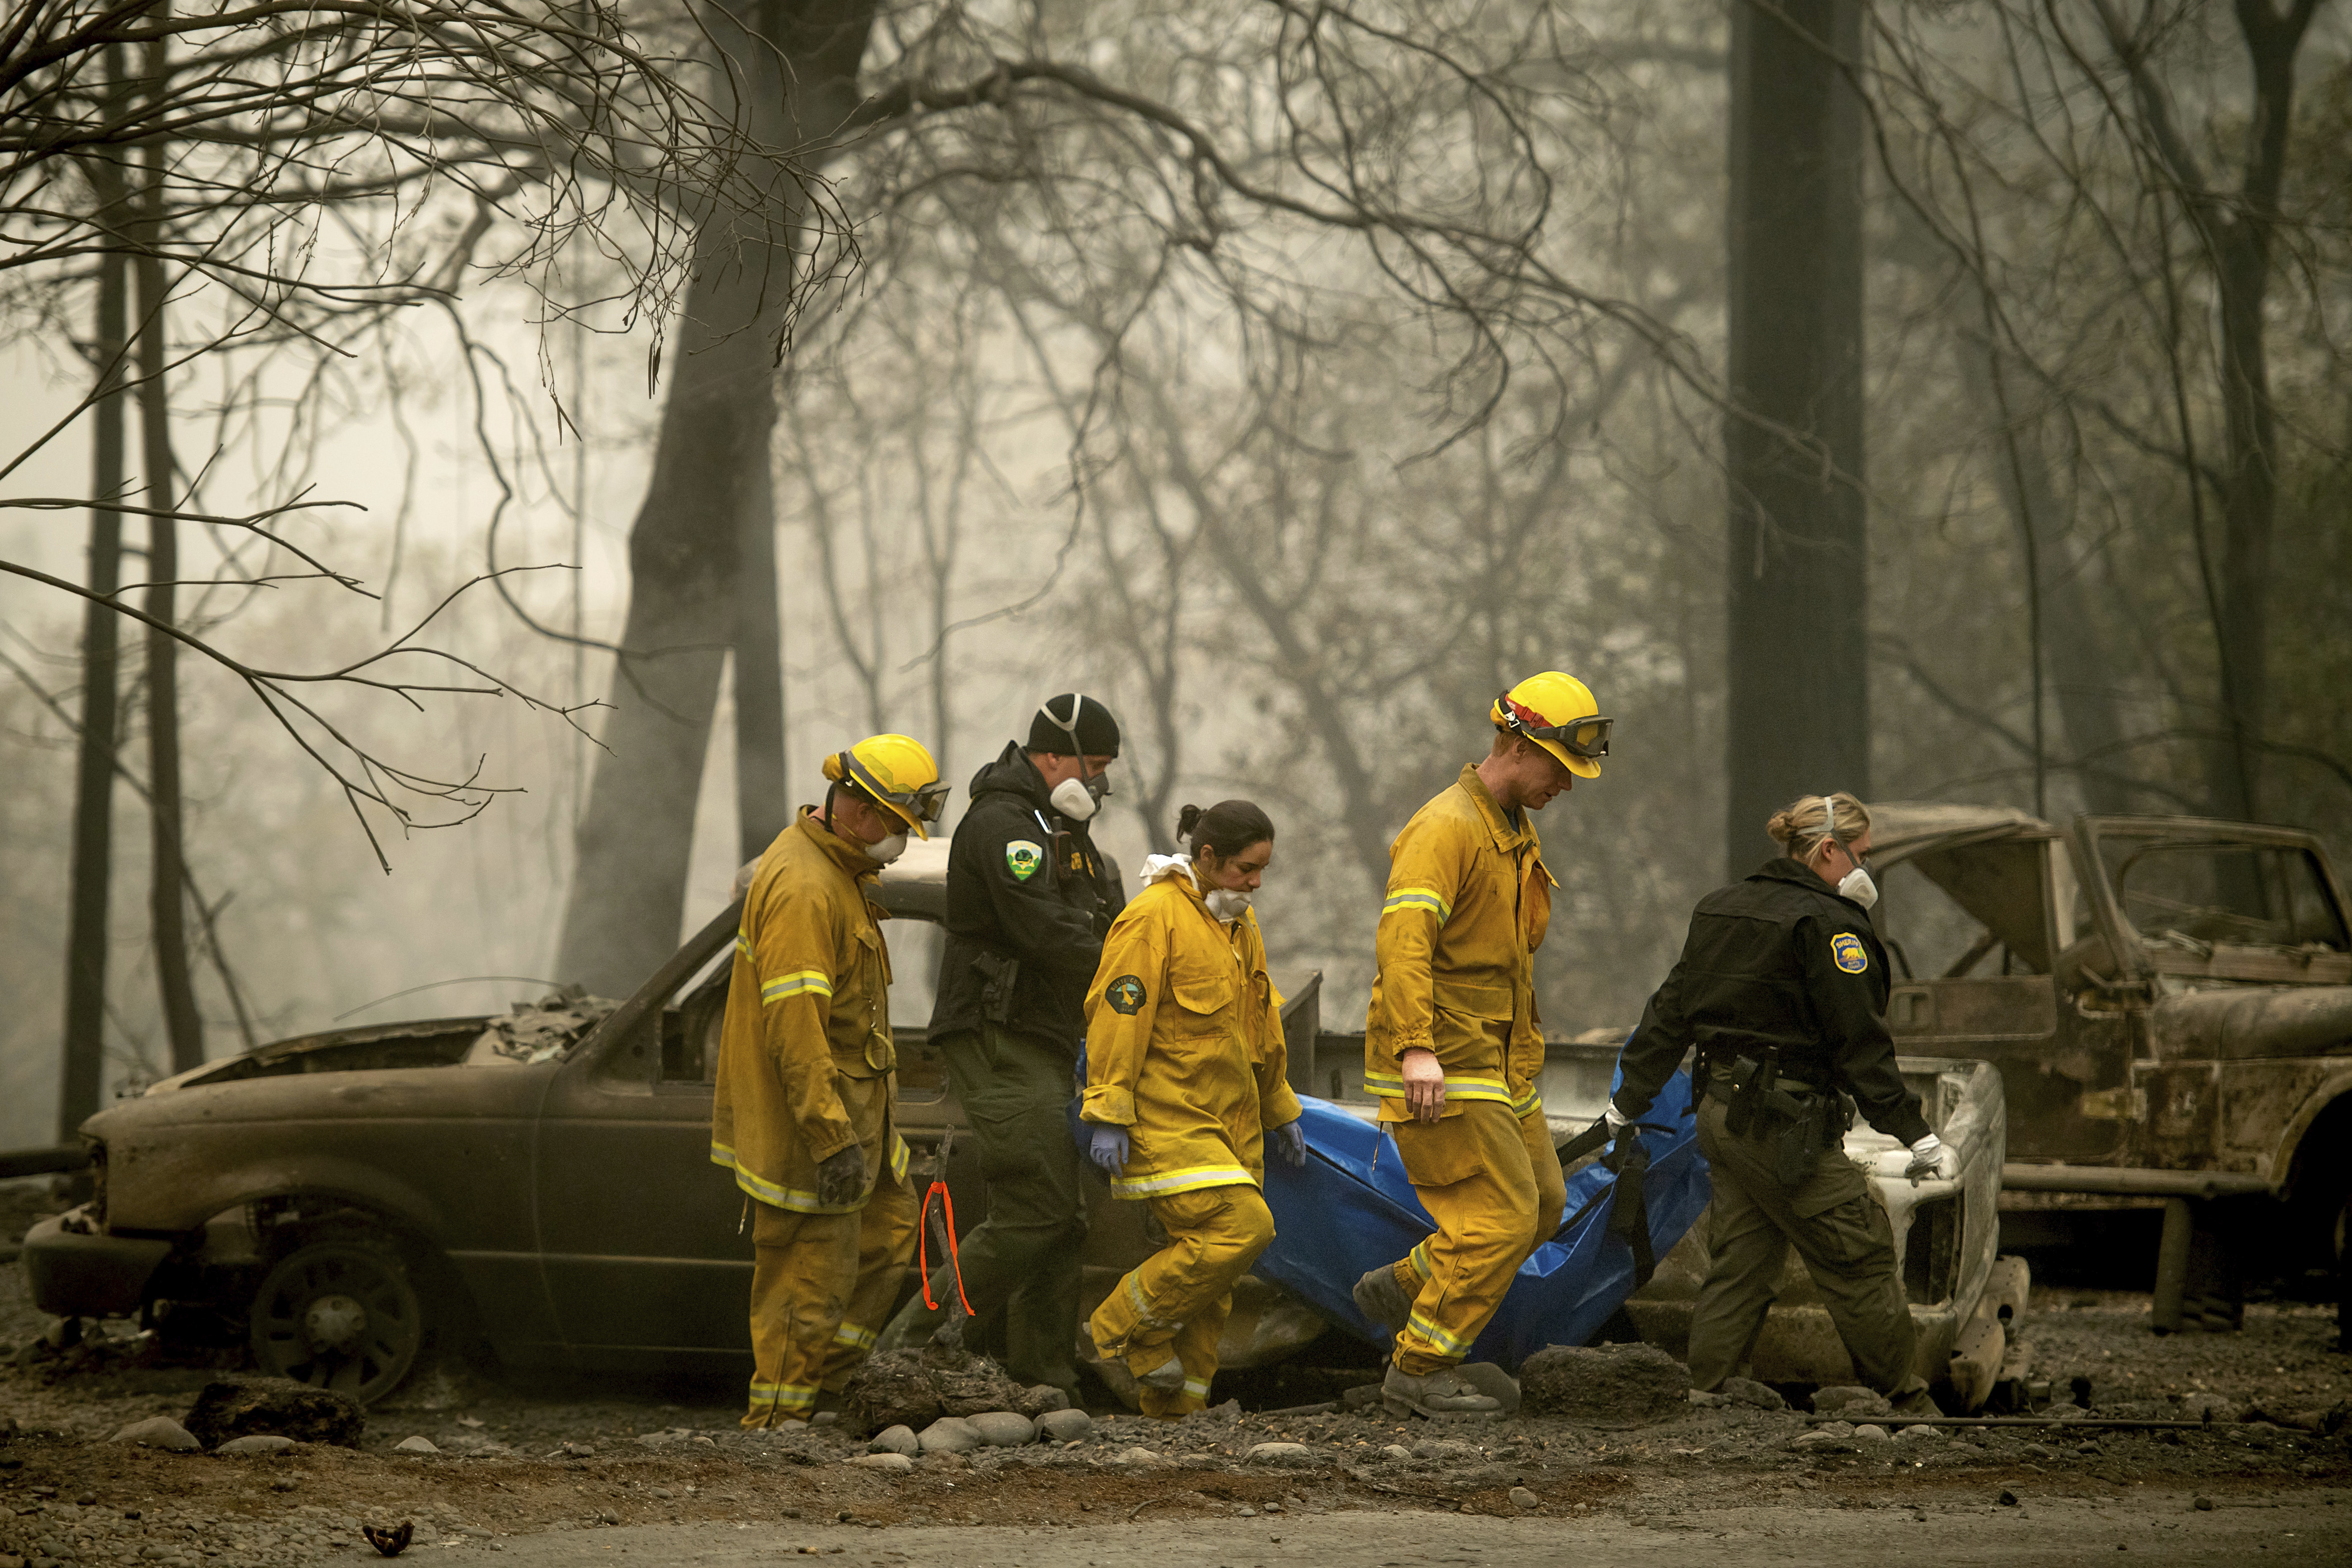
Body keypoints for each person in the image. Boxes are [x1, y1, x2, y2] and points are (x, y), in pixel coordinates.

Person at [1606, 791, 1956, 1416]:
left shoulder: (1719, 909)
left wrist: (1626, 1100)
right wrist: (1915, 1132)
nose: (1865, 871)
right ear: (1827, 850)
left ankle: (1707, 1391)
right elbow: (1859, 1043)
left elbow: (1668, 1011)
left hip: (1720, 1116)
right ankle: (1904, 1398)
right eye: (1862, 855)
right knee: (1857, 1253)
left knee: (1743, 1258)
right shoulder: (1827, 925)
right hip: (1784, 1127)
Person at [1355, 672, 1607, 1418]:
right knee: (1497, 1219)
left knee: (1543, 1205)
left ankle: (1404, 1284)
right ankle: (1419, 1367)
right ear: (1517, 744)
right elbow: (1404, 943)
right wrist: (1414, 1050)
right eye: (1560, 768)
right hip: (1444, 1056)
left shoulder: (1511, 831)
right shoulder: (1446, 828)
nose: (1565, 784)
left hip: (1500, 1061)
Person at [878, 694, 1125, 1394]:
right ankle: (904, 1355)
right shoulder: (1004, 826)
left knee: (1062, 1218)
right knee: (1036, 1209)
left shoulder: (1059, 825)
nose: (1101, 780)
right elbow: (1044, 931)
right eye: (1095, 764)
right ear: (1054, 756)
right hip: (998, 1034)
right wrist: (1129, 965)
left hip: (1042, 1037)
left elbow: (1098, 916)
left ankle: (1042, 1372)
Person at [710, 734, 948, 1428]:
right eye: (901, 828)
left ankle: (832, 1387)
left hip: (859, 1116)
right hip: (816, 1128)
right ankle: (779, 1426)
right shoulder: (804, 889)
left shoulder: (839, 871)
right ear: (861, 809)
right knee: (805, 1279)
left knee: (888, 1231)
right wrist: (829, 1139)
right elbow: (796, 1031)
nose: (904, 844)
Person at [1079, 800, 1307, 1417]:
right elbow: (1118, 1018)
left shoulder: (1237, 925)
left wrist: (1279, 1105)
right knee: (1242, 1227)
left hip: (1229, 1124)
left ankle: (1180, 1416)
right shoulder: (1153, 919)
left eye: (1261, 869)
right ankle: (1122, 1326)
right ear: (1205, 857)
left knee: (1215, 1284)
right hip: (1168, 1118)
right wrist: (1107, 1108)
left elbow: (1263, 1023)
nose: (1255, 882)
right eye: (1244, 868)